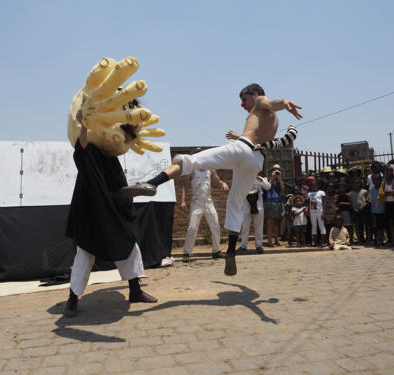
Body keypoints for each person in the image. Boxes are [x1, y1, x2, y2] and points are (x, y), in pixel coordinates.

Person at [122, 83, 302, 276]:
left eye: (244, 99)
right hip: (256, 160)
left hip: (242, 148)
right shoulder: (273, 121)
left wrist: (284, 102)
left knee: (189, 161)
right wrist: (280, 108)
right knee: (235, 203)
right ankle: (231, 252)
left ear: (255, 94)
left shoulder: (259, 101)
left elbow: (269, 102)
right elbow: (262, 131)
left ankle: (152, 183)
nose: (242, 105)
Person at [64, 103, 157, 317]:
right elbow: (82, 147)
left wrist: (134, 128)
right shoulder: (92, 152)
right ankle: (72, 300)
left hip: (114, 211)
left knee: (129, 247)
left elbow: (127, 137)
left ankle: (135, 290)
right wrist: (85, 124)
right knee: (85, 256)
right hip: (90, 212)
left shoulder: (112, 158)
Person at [181, 161, 229, 262]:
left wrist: (223, 183)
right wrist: (183, 201)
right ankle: (186, 253)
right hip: (196, 202)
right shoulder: (192, 170)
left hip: (208, 201)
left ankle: (216, 251)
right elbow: (185, 186)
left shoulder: (210, 170)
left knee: (215, 226)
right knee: (192, 228)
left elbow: (218, 180)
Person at [238, 175, 271, 254]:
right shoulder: (243, 178)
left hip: (258, 207)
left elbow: (268, 187)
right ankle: (243, 246)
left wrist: (261, 179)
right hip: (246, 207)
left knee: (259, 227)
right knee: (245, 227)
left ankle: (259, 246)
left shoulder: (260, 178)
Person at [264, 164, 285, 247]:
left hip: (278, 202)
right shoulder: (267, 178)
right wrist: (272, 178)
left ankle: (276, 240)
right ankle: (269, 241)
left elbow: (283, 189)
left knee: (277, 223)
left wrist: (279, 179)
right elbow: (267, 187)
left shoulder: (280, 180)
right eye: (274, 169)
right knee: (270, 223)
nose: (276, 171)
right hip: (269, 202)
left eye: (278, 170)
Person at [382, 164, 394, 247]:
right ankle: (392, 240)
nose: (389, 172)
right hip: (387, 204)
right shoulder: (384, 180)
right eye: (388, 170)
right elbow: (382, 191)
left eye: (391, 170)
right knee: (390, 223)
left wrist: (391, 192)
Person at [349, 177, 368, 245]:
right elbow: (350, 203)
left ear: (360, 184)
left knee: (363, 225)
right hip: (355, 211)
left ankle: (365, 239)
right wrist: (354, 209)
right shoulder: (351, 193)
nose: (356, 185)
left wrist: (363, 206)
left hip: (363, 211)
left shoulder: (364, 191)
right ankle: (359, 239)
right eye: (354, 183)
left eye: (357, 183)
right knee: (357, 226)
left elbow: (367, 200)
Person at [308, 179, 326, 247]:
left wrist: (324, 212)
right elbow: (308, 203)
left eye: (315, 185)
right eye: (312, 185)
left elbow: (324, 202)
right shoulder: (309, 193)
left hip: (320, 211)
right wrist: (308, 211)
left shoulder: (321, 192)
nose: (313, 186)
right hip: (312, 212)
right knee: (314, 226)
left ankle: (323, 242)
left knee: (321, 226)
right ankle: (315, 242)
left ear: (318, 186)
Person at [369, 173, 386, 248]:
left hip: (382, 211)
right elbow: (370, 199)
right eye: (374, 180)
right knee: (375, 227)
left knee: (381, 228)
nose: (376, 181)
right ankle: (376, 241)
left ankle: (381, 241)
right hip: (374, 211)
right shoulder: (372, 189)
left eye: (378, 180)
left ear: (381, 180)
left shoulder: (382, 188)